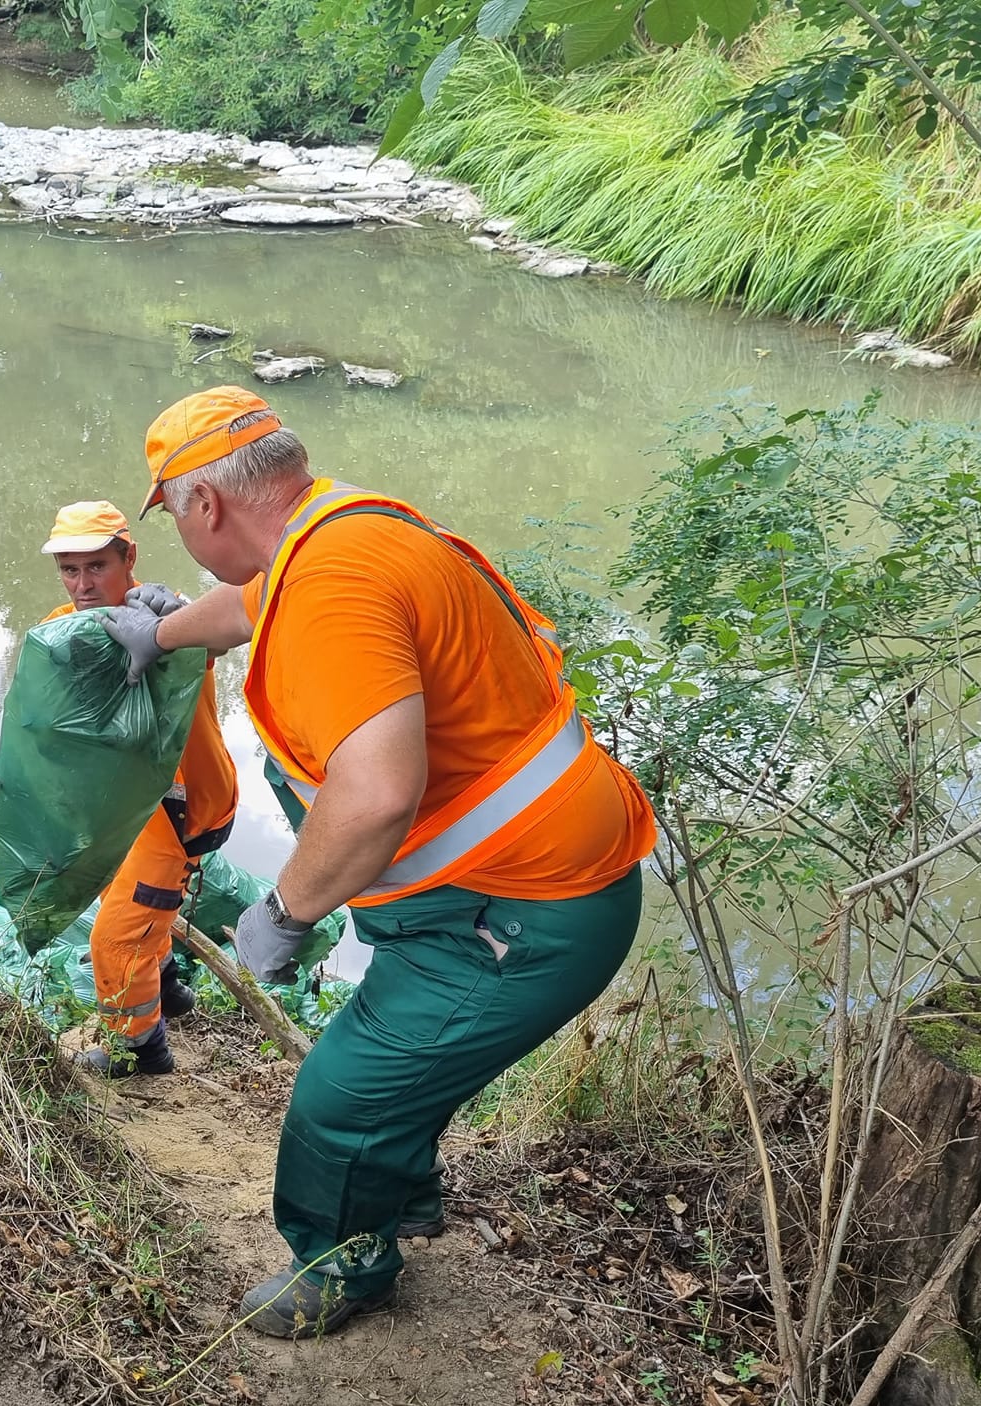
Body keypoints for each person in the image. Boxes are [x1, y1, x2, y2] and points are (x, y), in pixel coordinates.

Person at [88, 388, 656, 1338]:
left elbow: (377, 793)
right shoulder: (337, 528)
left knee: (343, 1096)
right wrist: (165, 631)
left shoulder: (331, 588)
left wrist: (285, 912)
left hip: (521, 914)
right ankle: (407, 1196)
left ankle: (343, 1267)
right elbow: (246, 606)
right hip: (495, 891)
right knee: (397, 1059)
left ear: (206, 507)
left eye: (174, 517)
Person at [37, 499, 239, 1077]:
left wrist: (168, 625)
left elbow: (221, 633)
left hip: (177, 811)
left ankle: (141, 1051)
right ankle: (169, 989)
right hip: (116, 807)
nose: (82, 584)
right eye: (70, 570)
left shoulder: (170, 621)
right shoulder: (62, 624)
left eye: (97, 566)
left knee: (115, 939)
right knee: (127, 903)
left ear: (130, 557)